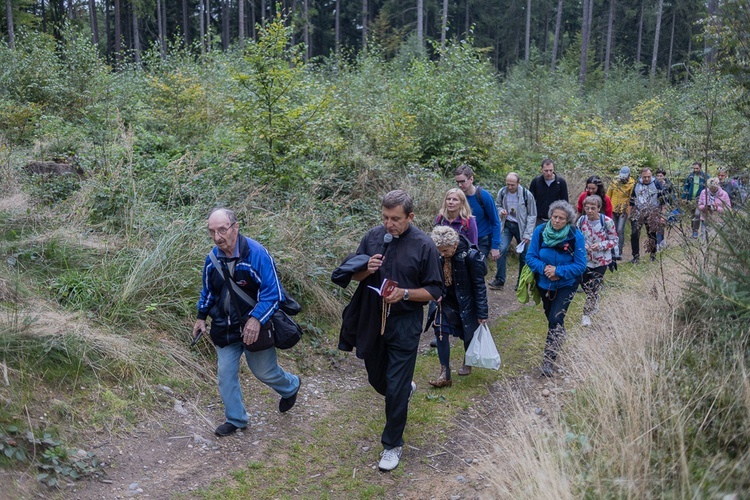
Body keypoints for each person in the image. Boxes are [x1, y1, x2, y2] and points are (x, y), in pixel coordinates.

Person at [348, 190, 442, 472]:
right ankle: (402, 390)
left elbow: (435, 290)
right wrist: (366, 268)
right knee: (379, 381)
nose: (389, 224)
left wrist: (403, 294)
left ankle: (392, 445)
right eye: (385, 218)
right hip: (372, 319)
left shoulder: (424, 245)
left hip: (405, 323)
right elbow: (353, 274)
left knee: (396, 388)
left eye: (396, 219)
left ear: (410, 217)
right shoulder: (373, 237)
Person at [192, 208, 301, 437]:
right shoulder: (212, 259)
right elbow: (208, 291)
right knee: (225, 373)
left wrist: (256, 319)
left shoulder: (257, 254)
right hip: (225, 327)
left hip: (256, 328)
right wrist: (201, 317)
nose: (217, 237)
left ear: (236, 227)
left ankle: (290, 386)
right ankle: (236, 419)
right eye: (212, 232)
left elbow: (273, 294)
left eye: (222, 230)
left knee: (263, 372)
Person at [525, 201, 586, 377]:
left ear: (568, 221)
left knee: (555, 318)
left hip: (566, 285)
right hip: (544, 283)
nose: (557, 221)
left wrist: (558, 271)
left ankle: (548, 361)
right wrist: (545, 269)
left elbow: (580, 265)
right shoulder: (541, 231)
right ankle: (560, 334)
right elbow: (530, 257)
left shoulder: (575, 236)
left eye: (561, 218)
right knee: (552, 318)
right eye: (554, 217)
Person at [425, 226, 488, 387]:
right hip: (444, 301)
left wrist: (482, 313)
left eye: (445, 251)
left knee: (467, 334)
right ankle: (445, 373)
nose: (442, 254)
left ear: (454, 244)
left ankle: (468, 360)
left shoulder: (471, 256)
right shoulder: (437, 256)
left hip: (466, 302)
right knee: (440, 330)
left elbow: (479, 286)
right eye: (439, 250)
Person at [488, 172, 537, 291]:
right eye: (508, 184)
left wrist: (528, 234)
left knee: (524, 255)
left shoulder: (526, 195)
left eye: (512, 185)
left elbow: (532, 215)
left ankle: (521, 282)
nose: (510, 187)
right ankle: (499, 280)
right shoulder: (502, 192)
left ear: (518, 183)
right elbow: (497, 205)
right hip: (507, 225)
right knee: (501, 249)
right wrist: (501, 211)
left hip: (522, 227)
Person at [576, 195, 618, 327]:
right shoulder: (581, 220)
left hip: (601, 261)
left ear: (599, 208)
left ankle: (586, 315)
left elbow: (614, 240)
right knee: (584, 285)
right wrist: (583, 246)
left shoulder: (607, 221)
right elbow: (576, 237)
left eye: (593, 208)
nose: (589, 211)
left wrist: (600, 245)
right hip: (585, 260)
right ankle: (594, 299)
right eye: (587, 208)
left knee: (593, 287)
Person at [454, 164, 501, 261]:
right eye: (457, 182)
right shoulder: (457, 197)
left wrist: (495, 246)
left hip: (482, 239)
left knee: (478, 269)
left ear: (471, 179)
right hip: (462, 240)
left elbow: (495, 221)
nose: (460, 185)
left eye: (462, 181)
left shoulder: (483, 196)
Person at [629, 168, 664, 263]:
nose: (647, 179)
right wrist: (630, 214)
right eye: (645, 177)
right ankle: (635, 256)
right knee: (634, 234)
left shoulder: (656, 183)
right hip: (638, 212)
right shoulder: (637, 184)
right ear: (641, 176)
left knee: (651, 234)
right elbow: (632, 200)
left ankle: (653, 255)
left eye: (648, 177)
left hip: (652, 212)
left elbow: (663, 200)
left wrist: (661, 216)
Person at [529, 158, 569, 227]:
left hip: (556, 219)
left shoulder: (561, 182)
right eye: (546, 171)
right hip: (539, 219)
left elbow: (565, 202)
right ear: (541, 170)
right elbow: (530, 201)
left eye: (551, 170)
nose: (549, 173)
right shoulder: (536, 182)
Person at [606, 166, 635, 260]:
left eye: (625, 177)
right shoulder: (614, 182)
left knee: (619, 230)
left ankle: (619, 250)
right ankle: (612, 250)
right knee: (612, 230)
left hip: (624, 209)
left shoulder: (632, 183)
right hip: (613, 208)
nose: (623, 179)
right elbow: (608, 195)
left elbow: (631, 198)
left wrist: (630, 211)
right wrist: (606, 207)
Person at [681, 161, 709, 238]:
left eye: (697, 168)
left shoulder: (705, 177)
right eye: (694, 168)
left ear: (700, 168)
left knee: (697, 214)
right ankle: (694, 231)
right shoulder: (690, 176)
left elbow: (709, 188)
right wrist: (684, 197)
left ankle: (697, 233)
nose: (695, 170)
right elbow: (686, 187)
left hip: (700, 200)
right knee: (692, 215)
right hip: (691, 199)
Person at [655, 168, 677, 250]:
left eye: (660, 176)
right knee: (657, 224)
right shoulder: (654, 184)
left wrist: (672, 205)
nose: (659, 177)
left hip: (665, 206)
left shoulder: (668, 185)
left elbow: (672, 196)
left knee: (662, 223)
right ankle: (658, 242)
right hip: (656, 206)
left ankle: (661, 241)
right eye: (657, 176)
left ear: (664, 176)